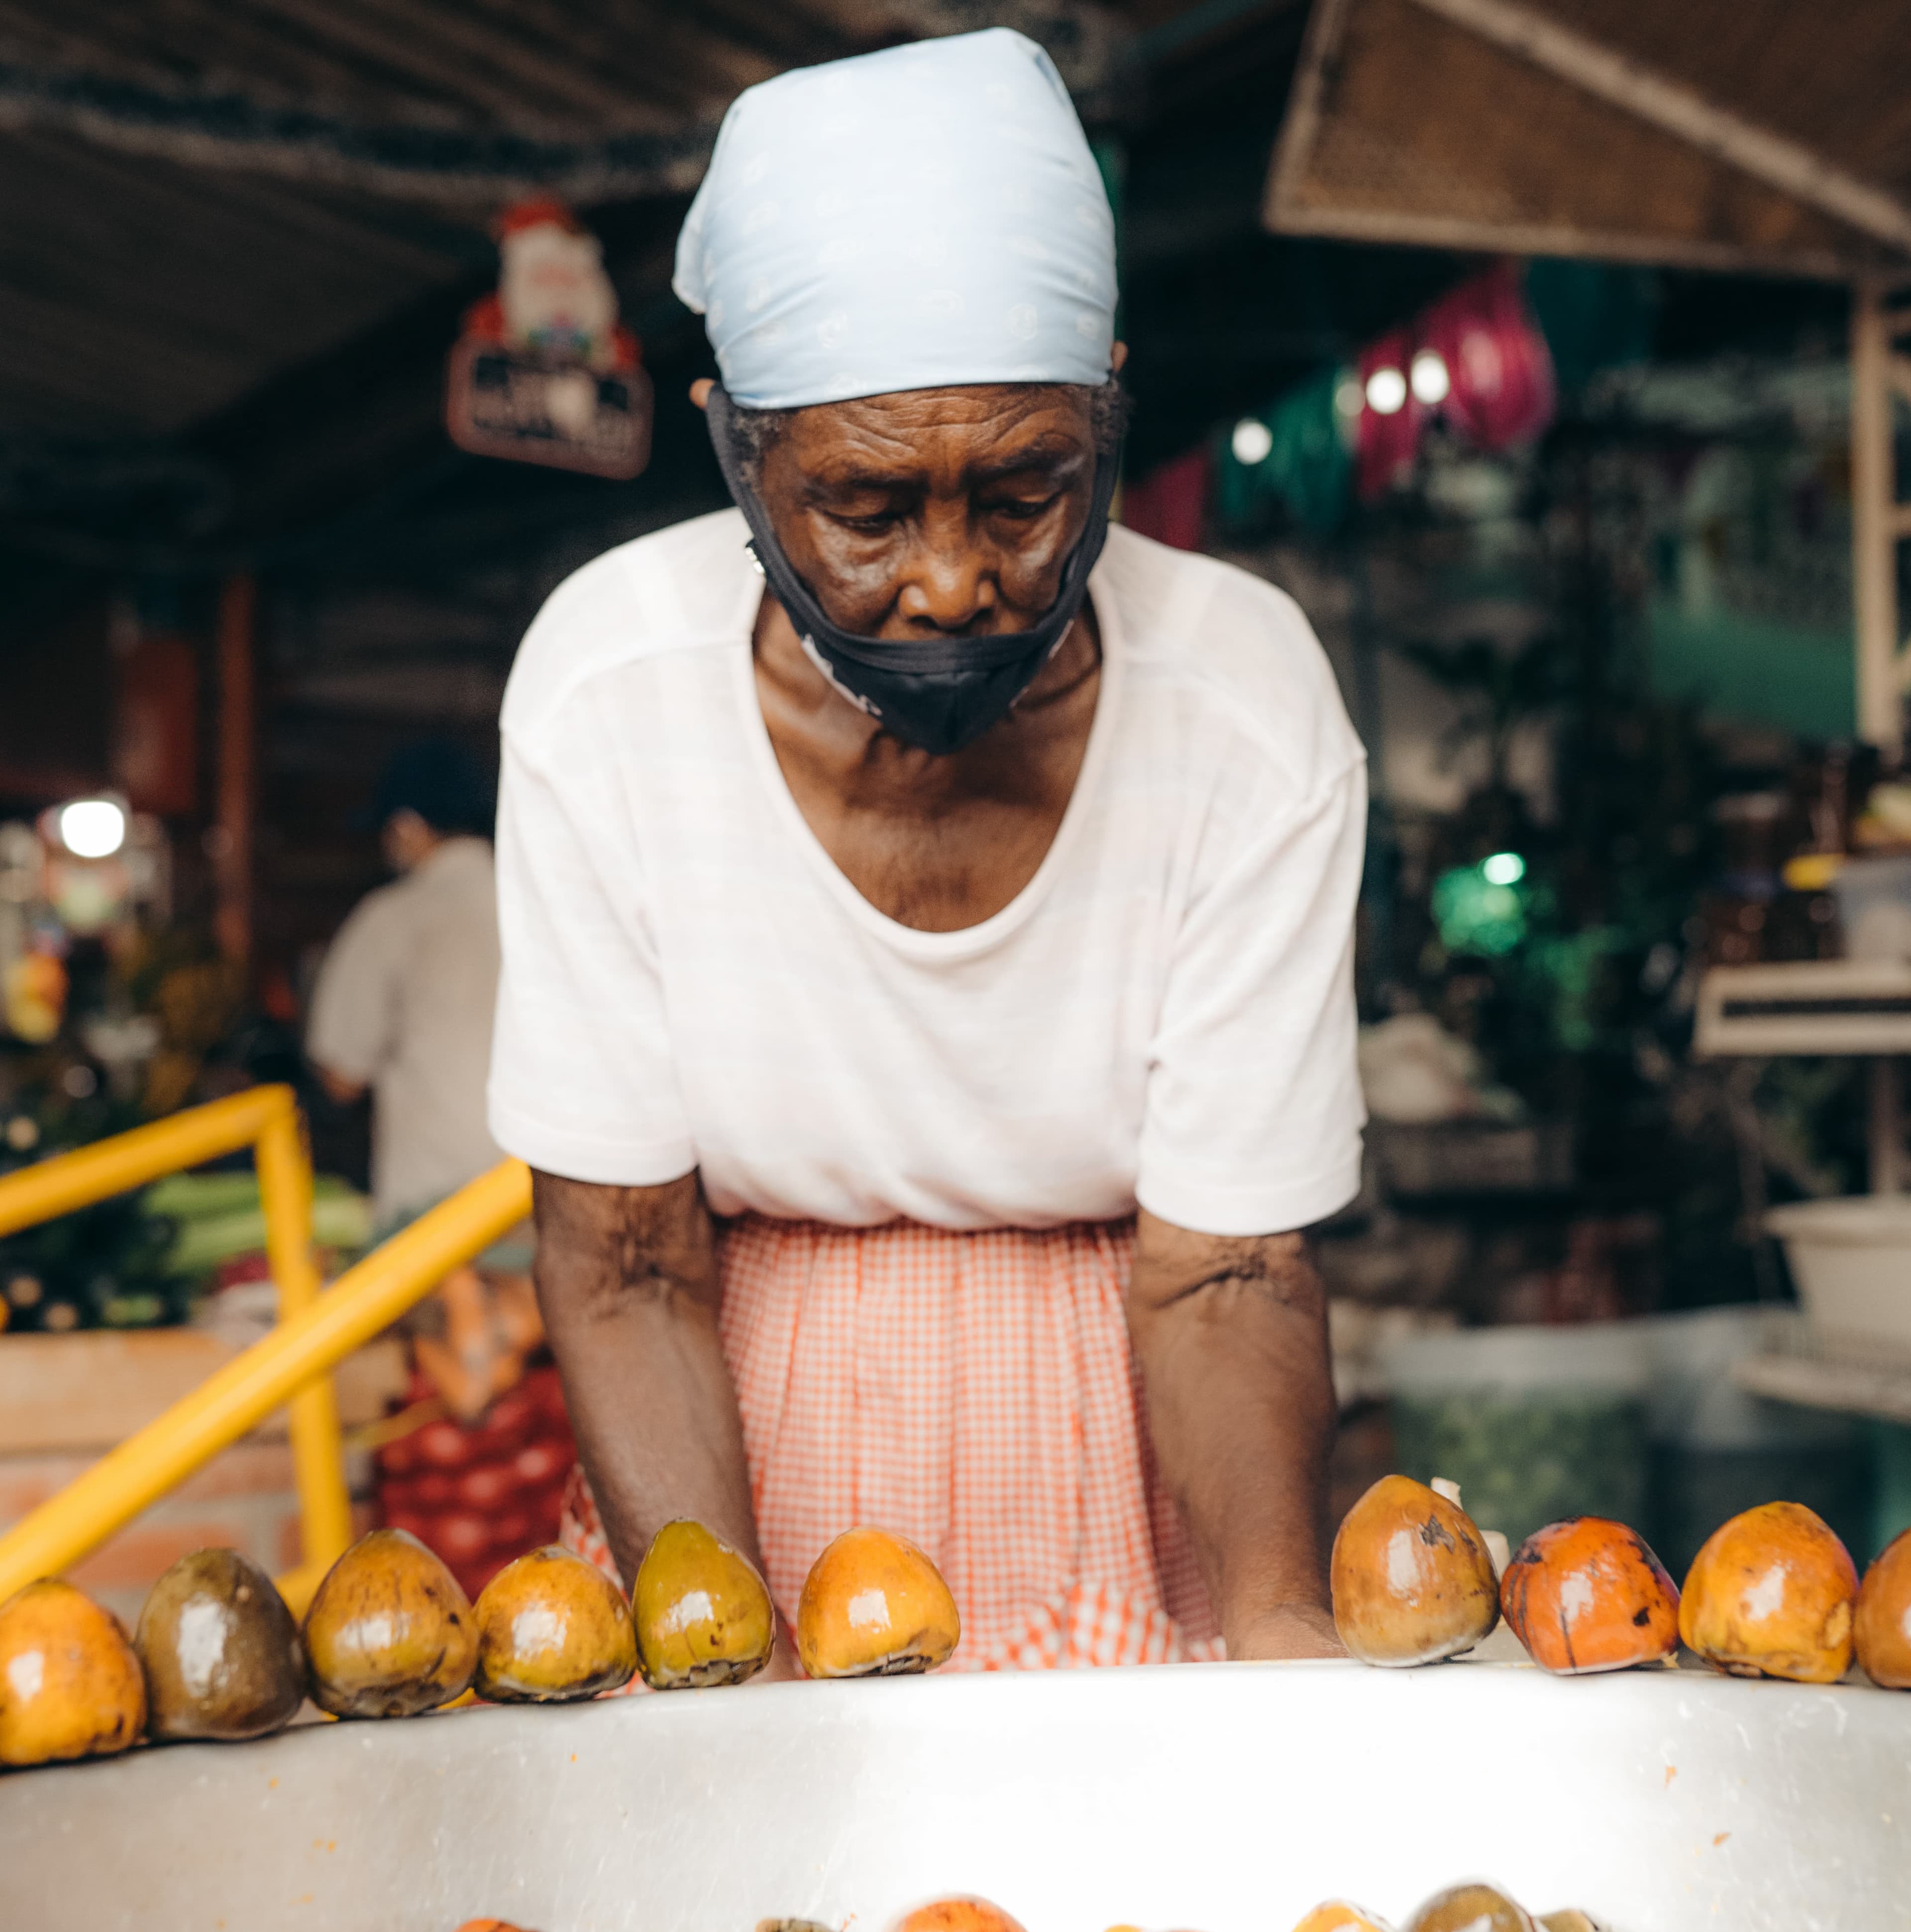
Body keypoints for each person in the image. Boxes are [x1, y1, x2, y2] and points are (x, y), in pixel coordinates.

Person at [488, 30, 1366, 1670]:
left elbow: (1233, 1276)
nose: (956, 583)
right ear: (738, 453)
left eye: (1027, 490)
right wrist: (719, 1665)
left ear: (1109, 409)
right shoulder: (609, 691)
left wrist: (1278, 1657)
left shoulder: (1244, 704)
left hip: (1133, 1422)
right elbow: (624, 1265)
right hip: (734, 1439)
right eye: (870, 513)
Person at [308, 738, 504, 1232]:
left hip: (433, 1211)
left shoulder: (394, 918)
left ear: (408, 827)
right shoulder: (542, 907)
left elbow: (341, 1076)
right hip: (541, 1197)